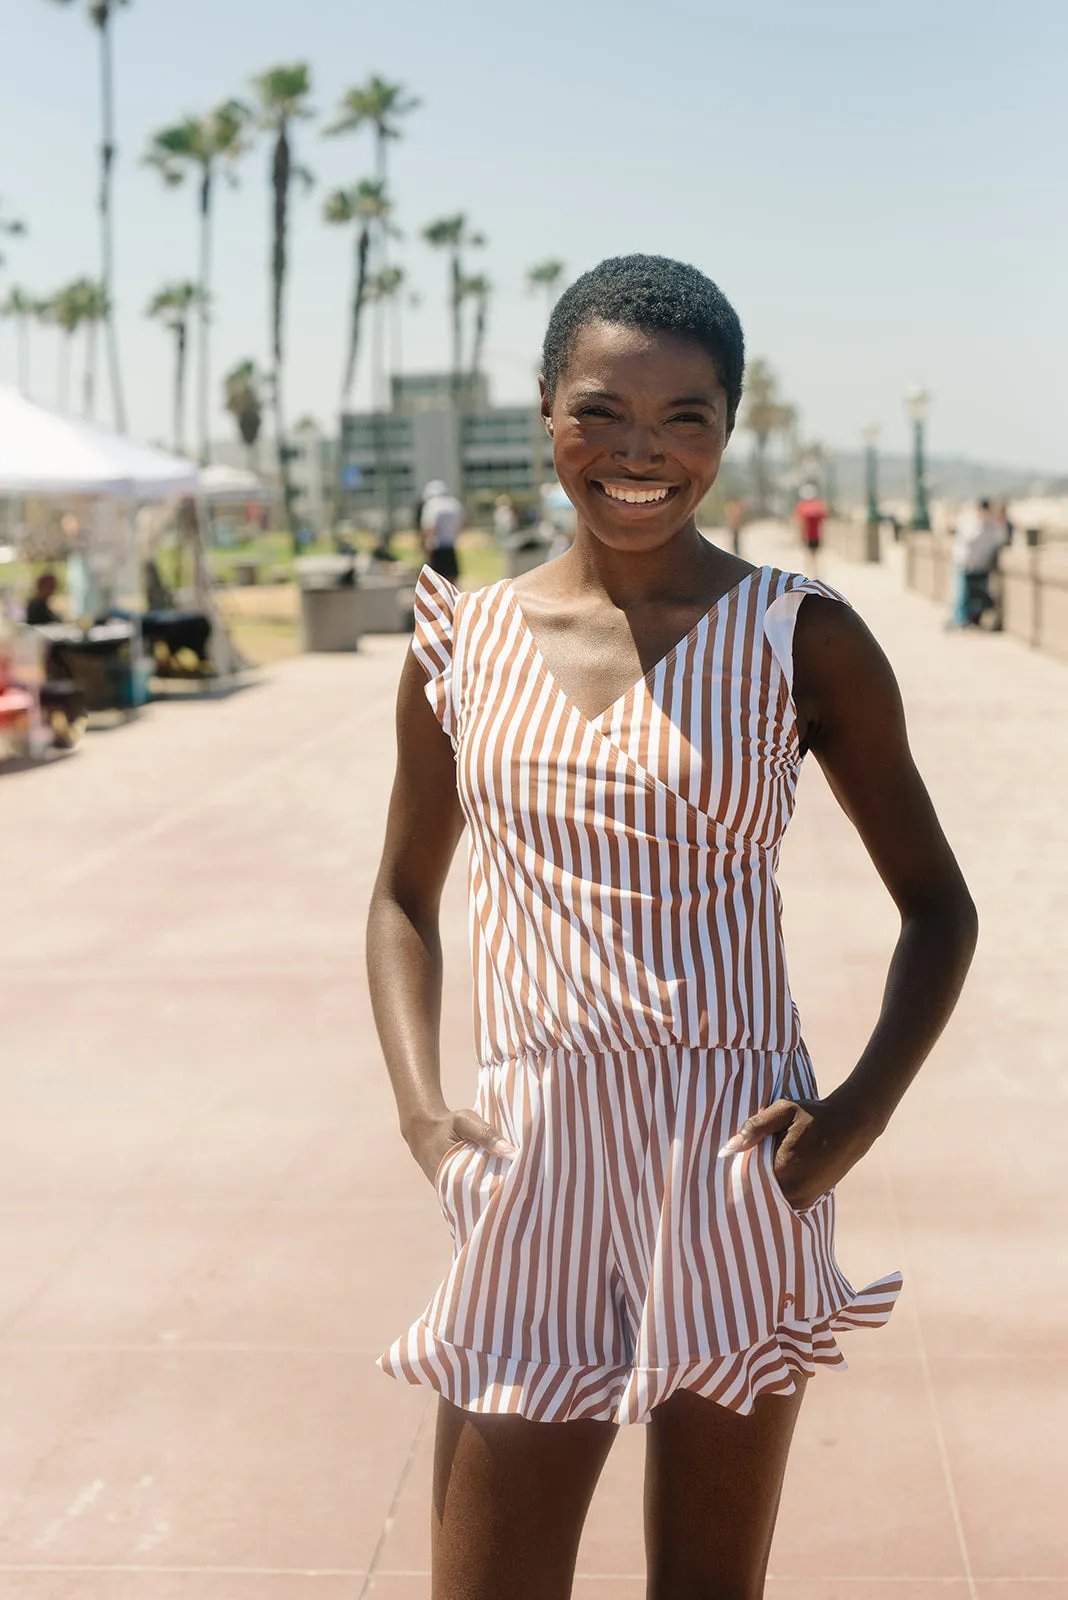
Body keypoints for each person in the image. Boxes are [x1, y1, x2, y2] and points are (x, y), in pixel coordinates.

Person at [367, 255, 978, 1599]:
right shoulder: (460, 646)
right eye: (604, 411)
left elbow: (939, 907)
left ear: (727, 429)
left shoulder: (799, 639)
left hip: (737, 1171)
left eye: (684, 419)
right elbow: (402, 898)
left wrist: (855, 1115)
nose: (641, 453)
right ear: (544, 412)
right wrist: (425, 1115)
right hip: (536, 1174)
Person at [951, 497, 1004, 628]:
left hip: (982, 567)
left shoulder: (993, 526)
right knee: (962, 596)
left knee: (979, 596)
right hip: (966, 565)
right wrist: (981, 524)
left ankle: (975, 619)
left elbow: (1000, 540)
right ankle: (960, 621)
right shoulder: (970, 522)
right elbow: (969, 538)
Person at [420, 478, 464, 582]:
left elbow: (430, 527)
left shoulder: (431, 505)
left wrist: (424, 545)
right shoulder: (454, 503)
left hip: (437, 547)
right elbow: (462, 524)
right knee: (452, 578)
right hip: (451, 545)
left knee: (437, 581)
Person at [794, 482, 827, 565]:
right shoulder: (819, 505)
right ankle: (814, 570)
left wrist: (799, 537)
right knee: (814, 556)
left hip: (808, 535)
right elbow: (823, 522)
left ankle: (811, 570)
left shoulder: (802, 506)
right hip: (816, 535)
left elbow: (800, 524)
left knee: (809, 556)